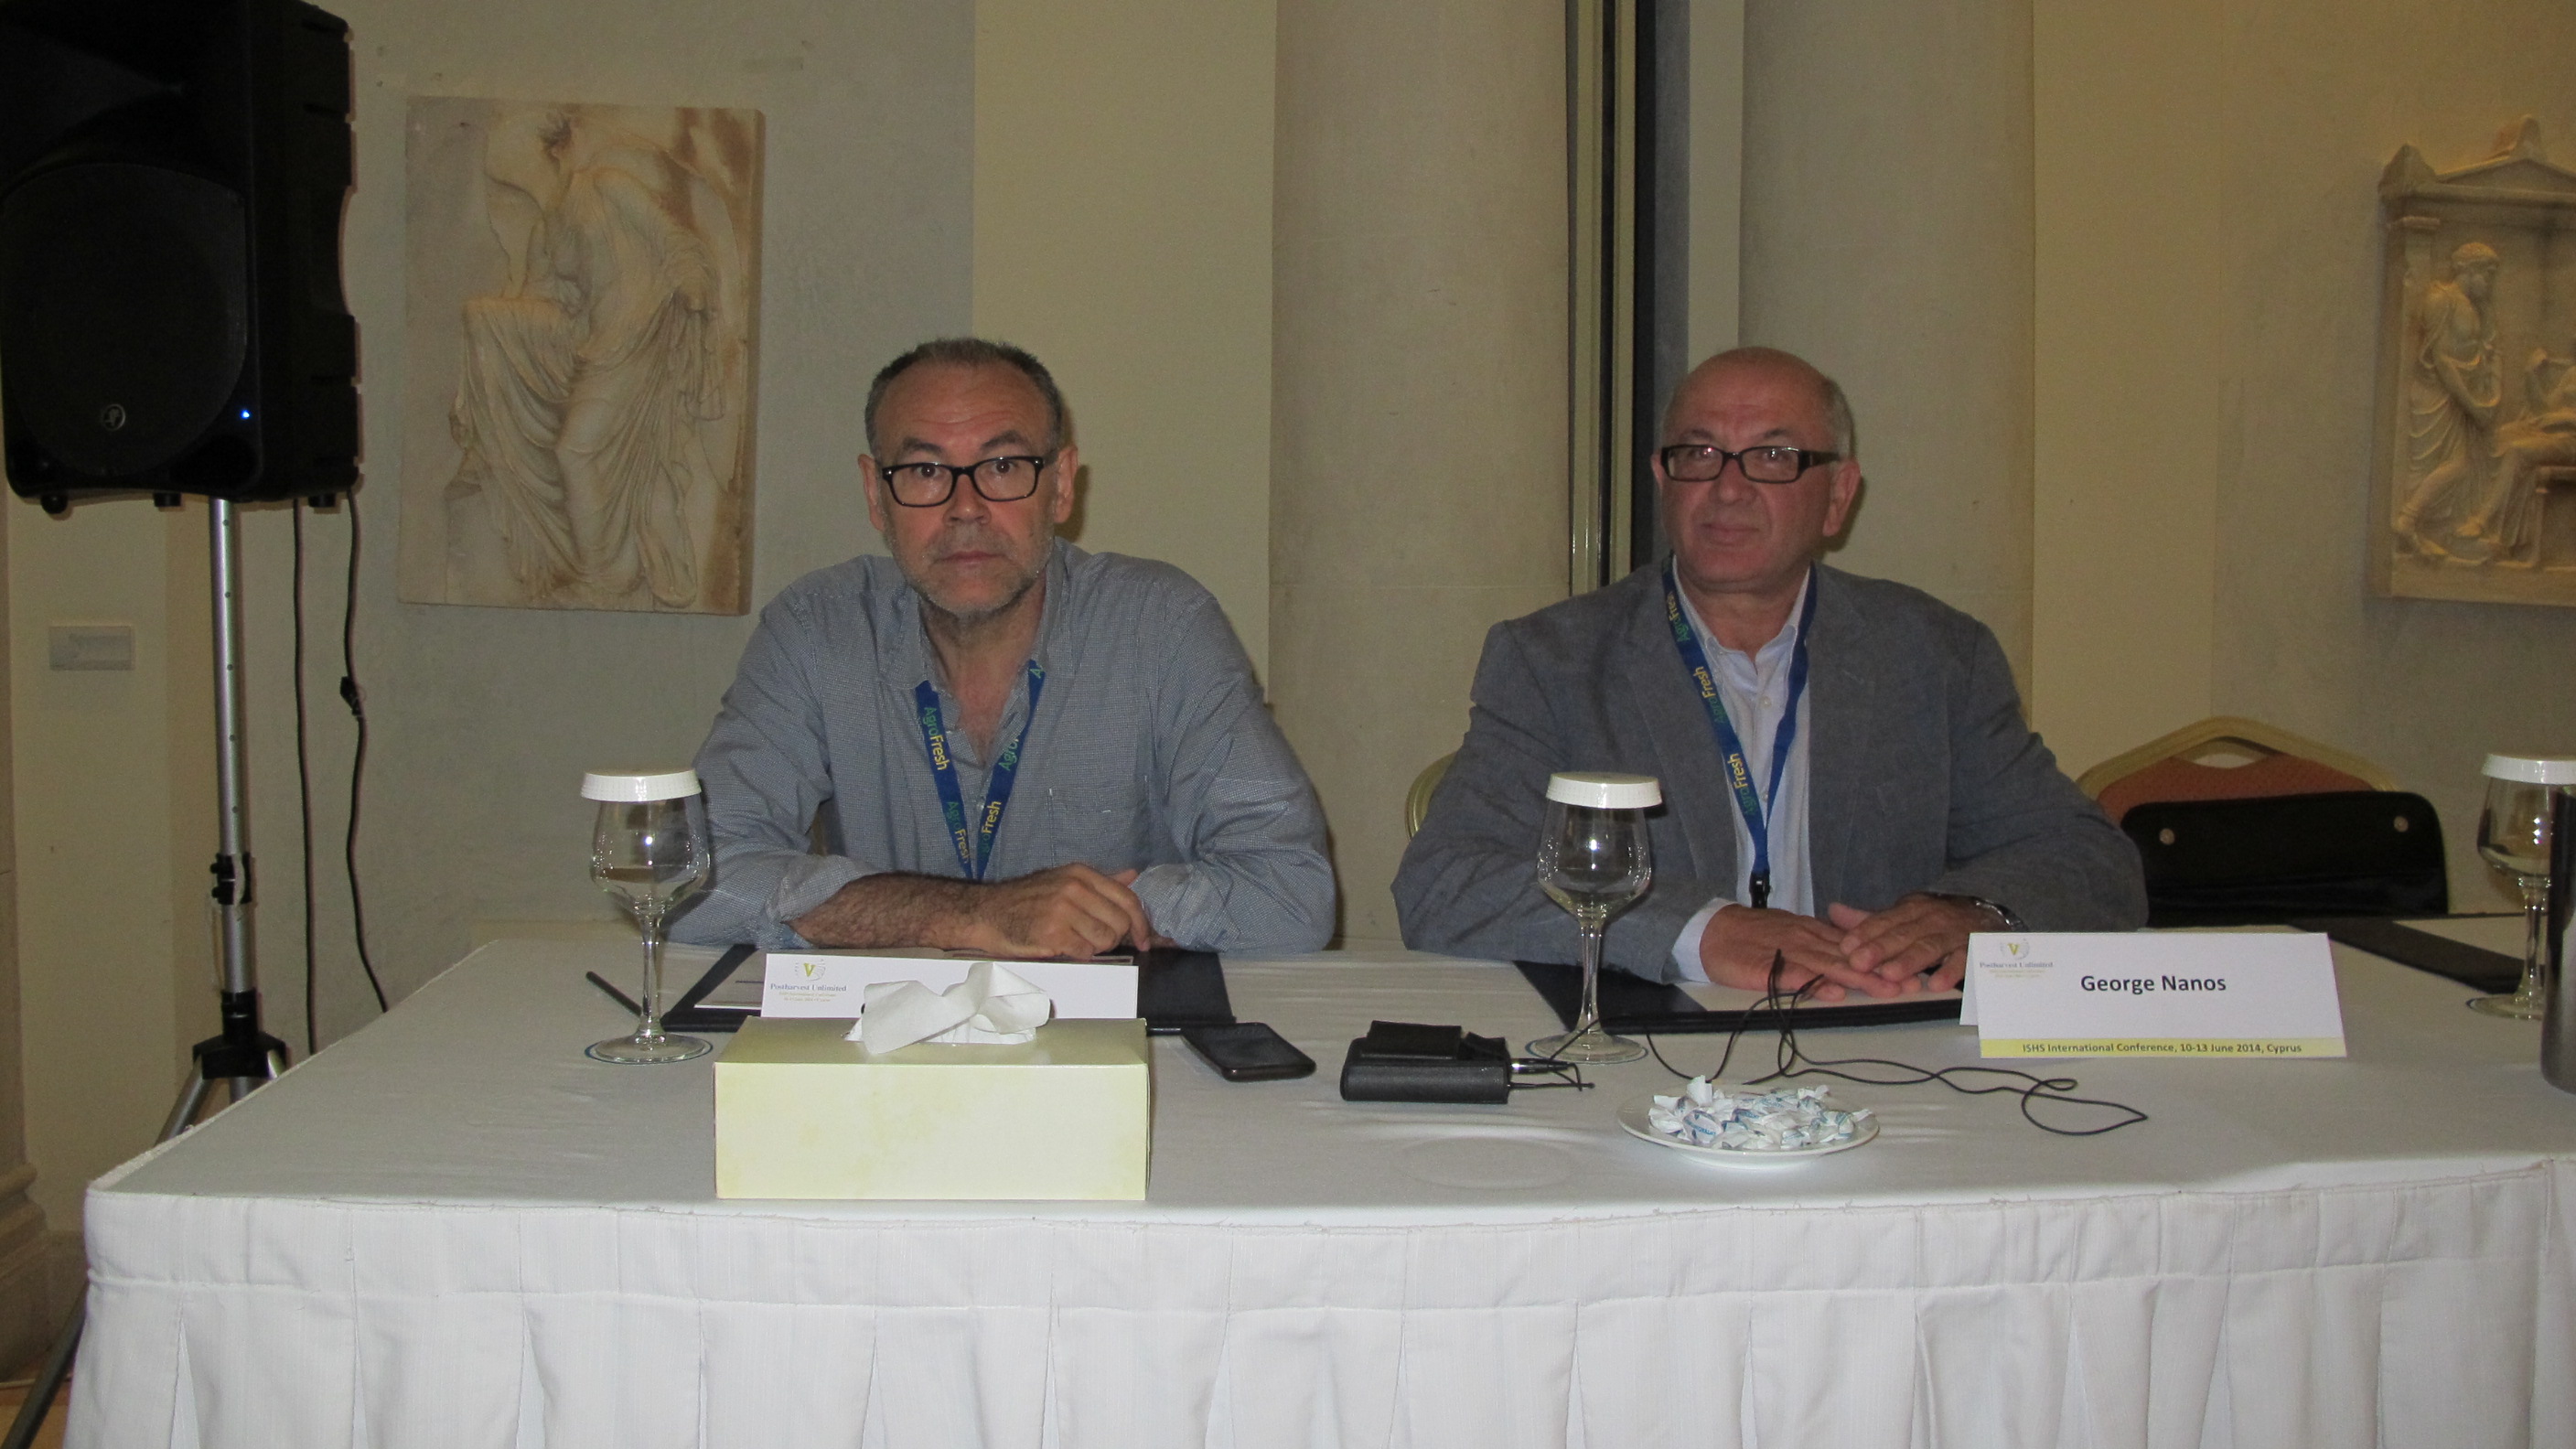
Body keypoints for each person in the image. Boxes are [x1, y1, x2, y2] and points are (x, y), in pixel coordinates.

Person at [1394, 347, 2144, 999]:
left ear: (1838, 496)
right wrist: (1700, 932)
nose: (1729, 488)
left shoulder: (1934, 655)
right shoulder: (1555, 660)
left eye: (1775, 457)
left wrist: (1975, 914)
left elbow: (2089, 859)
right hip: (1658, 1035)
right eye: (1699, 454)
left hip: (1872, 1030)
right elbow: (1445, 882)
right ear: (1663, 480)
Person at [671, 338, 1334, 957]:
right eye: (926, 470)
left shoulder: (1161, 628)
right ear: (876, 495)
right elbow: (686, 880)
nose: (966, 508)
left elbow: (1292, 894)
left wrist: (1088, 914)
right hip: (886, 1027)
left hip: (1110, 1023)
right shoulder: (816, 632)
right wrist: (972, 915)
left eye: (1003, 466)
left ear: (1062, 484)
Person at [2395, 242, 2503, 561]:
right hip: (2438, 396)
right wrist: (2473, 405)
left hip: (2459, 399)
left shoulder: (2473, 305)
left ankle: (2439, 532)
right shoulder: (2440, 299)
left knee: (2464, 468)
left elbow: (2475, 350)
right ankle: (2408, 521)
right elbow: (2441, 360)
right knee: (2445, 465)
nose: (2491, 283)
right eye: (2487, 274)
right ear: (2468, 270)